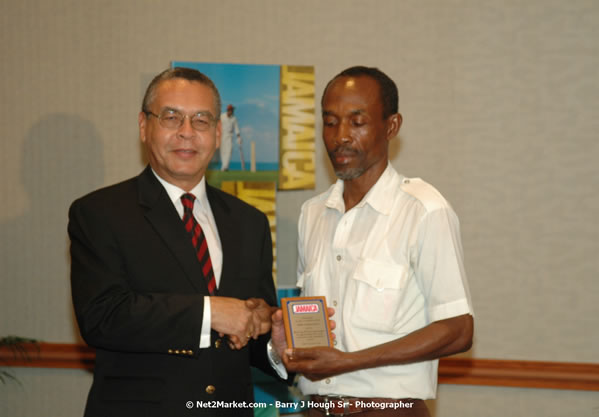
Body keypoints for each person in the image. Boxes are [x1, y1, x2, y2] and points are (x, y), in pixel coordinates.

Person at [69, 67, 279, 417]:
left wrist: (275, 344)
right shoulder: (100, 213)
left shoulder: (249, 222)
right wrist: (211, 312)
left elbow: (250, 327)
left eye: (200, 120)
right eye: (171, 117)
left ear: (215, 133)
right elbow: (102, 316)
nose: (186, 133)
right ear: (143, 126)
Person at [270, 66, 474, 417]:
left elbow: (458, 330)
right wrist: (284, 348)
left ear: (391, 126)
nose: (340, 136)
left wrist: (348, 362)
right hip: (314, 409)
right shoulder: (312, 214)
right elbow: (315, 330)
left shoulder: (424, 210)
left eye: (357, 122)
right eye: (330, 122)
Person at [219, 104, 241, 171]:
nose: (232, 111)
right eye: (231, 110)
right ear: (228, 110)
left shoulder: (234, 118)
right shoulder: (222, 116)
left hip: (229, 136)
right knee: (223, 151)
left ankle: (225, 166)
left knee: (229, 150)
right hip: (222, 135)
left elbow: (236, 127)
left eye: (232, 110)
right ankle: (224, 166)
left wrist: (238, 136)